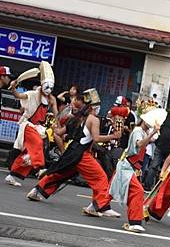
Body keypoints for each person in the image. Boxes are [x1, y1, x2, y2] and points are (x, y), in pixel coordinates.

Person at [26, 89, 121, 218]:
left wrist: (55, 127)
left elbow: (58, 133)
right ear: (94, 107)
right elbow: (97, 138)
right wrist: (113, 136)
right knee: (101, 178)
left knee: (61, 174)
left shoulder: (76, 118)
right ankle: (98, 206)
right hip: (82, 154)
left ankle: (36, 191)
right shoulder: (93, 119)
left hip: (72, 151)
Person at [109, 107, 166, 233]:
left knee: (114, 188)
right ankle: (134, 222)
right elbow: (139, 144)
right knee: (138, 191)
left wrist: (156, 134)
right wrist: (152, 133)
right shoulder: (138, 131)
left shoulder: (144, 132)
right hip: (127, 166)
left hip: (132, 166)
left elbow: (149, 140)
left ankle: (97, 206)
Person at [5, 61, 58, 187]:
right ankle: (40, 168)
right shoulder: (33, 94)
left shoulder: (51, 99)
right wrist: (13, 87)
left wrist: (54, 106)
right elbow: (18, 95)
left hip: (39, 127)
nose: (49, 89)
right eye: (47, 86)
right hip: (28, 125)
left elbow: (56, 114)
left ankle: (12, 175)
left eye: (51, 87)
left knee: (27, 156)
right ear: (42, 85)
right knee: (37, 144)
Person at [143, 99, 170, 190]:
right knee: (154, 166)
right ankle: (147, 185)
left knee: (167, 170)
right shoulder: (164, 117)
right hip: (160, 147)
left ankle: (161, 188)